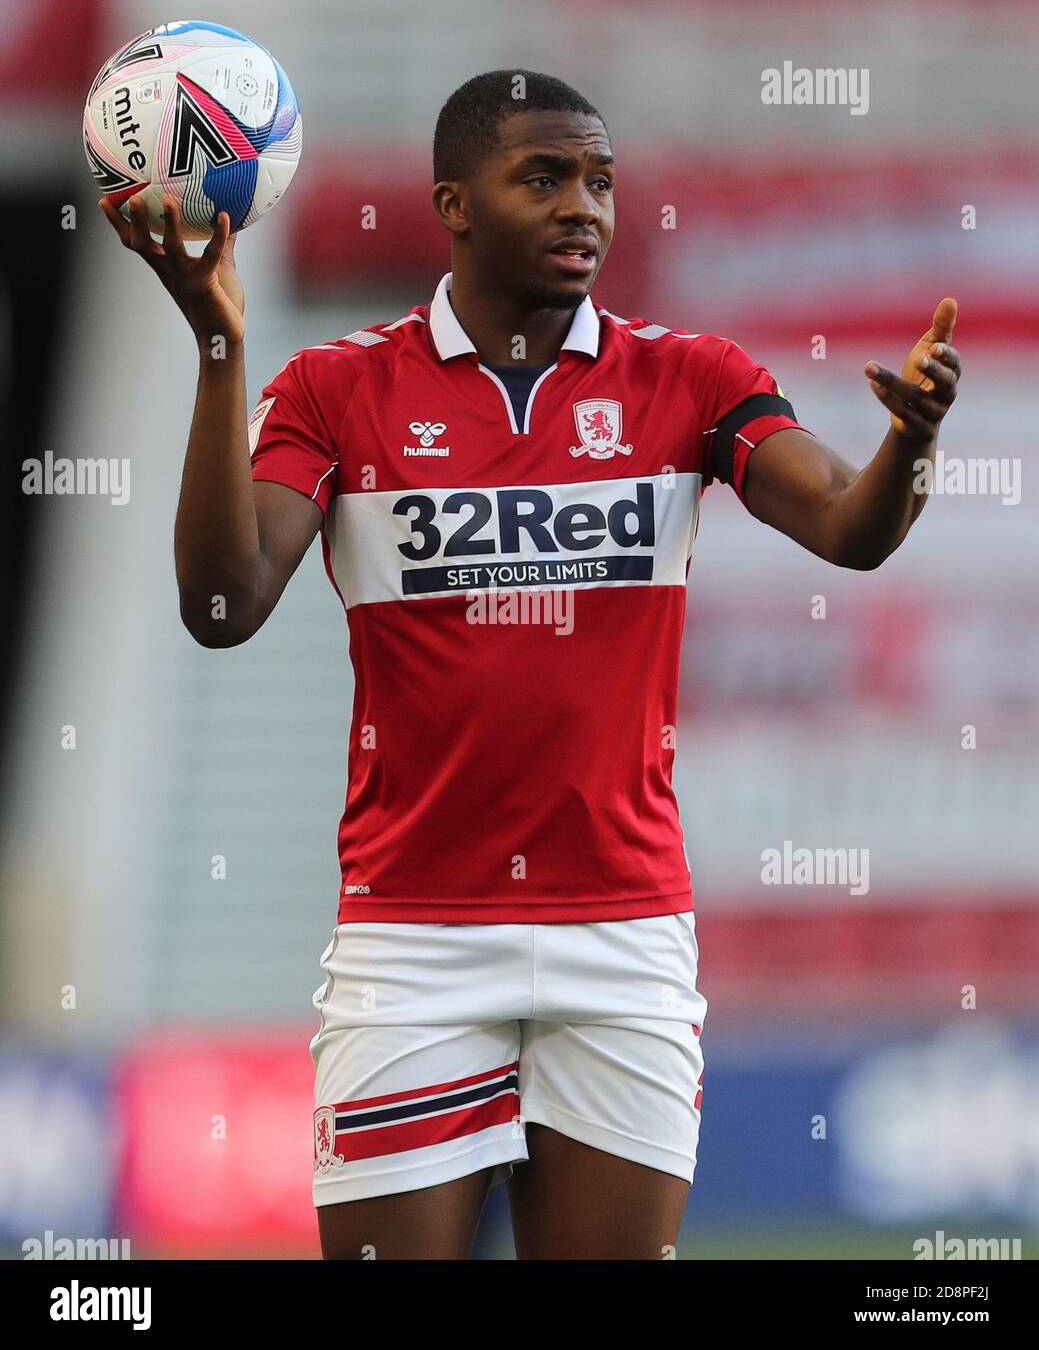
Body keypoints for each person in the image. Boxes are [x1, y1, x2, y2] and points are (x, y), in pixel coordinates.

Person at [99, 68, 960, 1260]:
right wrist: (214, 344)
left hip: (626, 938)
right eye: (544, 177)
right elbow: (219, 603)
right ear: (452, 202)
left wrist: (909, 444)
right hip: (414, 944)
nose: (584, 207)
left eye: (601, 181)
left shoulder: (691, 379)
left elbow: (852, 532)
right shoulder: (337, 389)